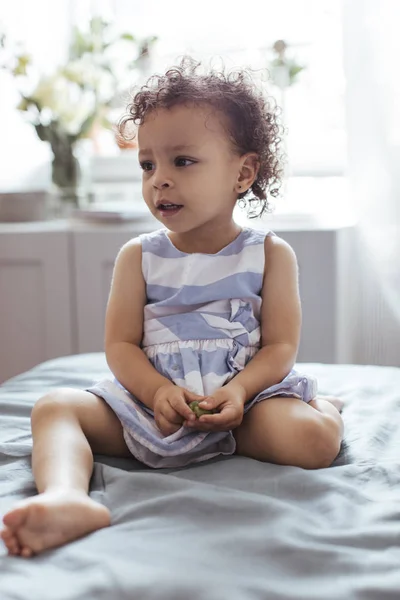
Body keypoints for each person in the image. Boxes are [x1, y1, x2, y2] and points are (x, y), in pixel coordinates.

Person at [0, 57, 344, 558]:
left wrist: (240, 392)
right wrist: (157, 391)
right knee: (54, 407)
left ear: (243, 172)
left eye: (182, 161)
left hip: (243, 408)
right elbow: (119, 345)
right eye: (147, 164)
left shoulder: (269, 253)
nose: (158, 179)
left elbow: (280, 346)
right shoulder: (138, 256)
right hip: (151, 409)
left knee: (312, 442)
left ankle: (327, 409)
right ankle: (67, 498)